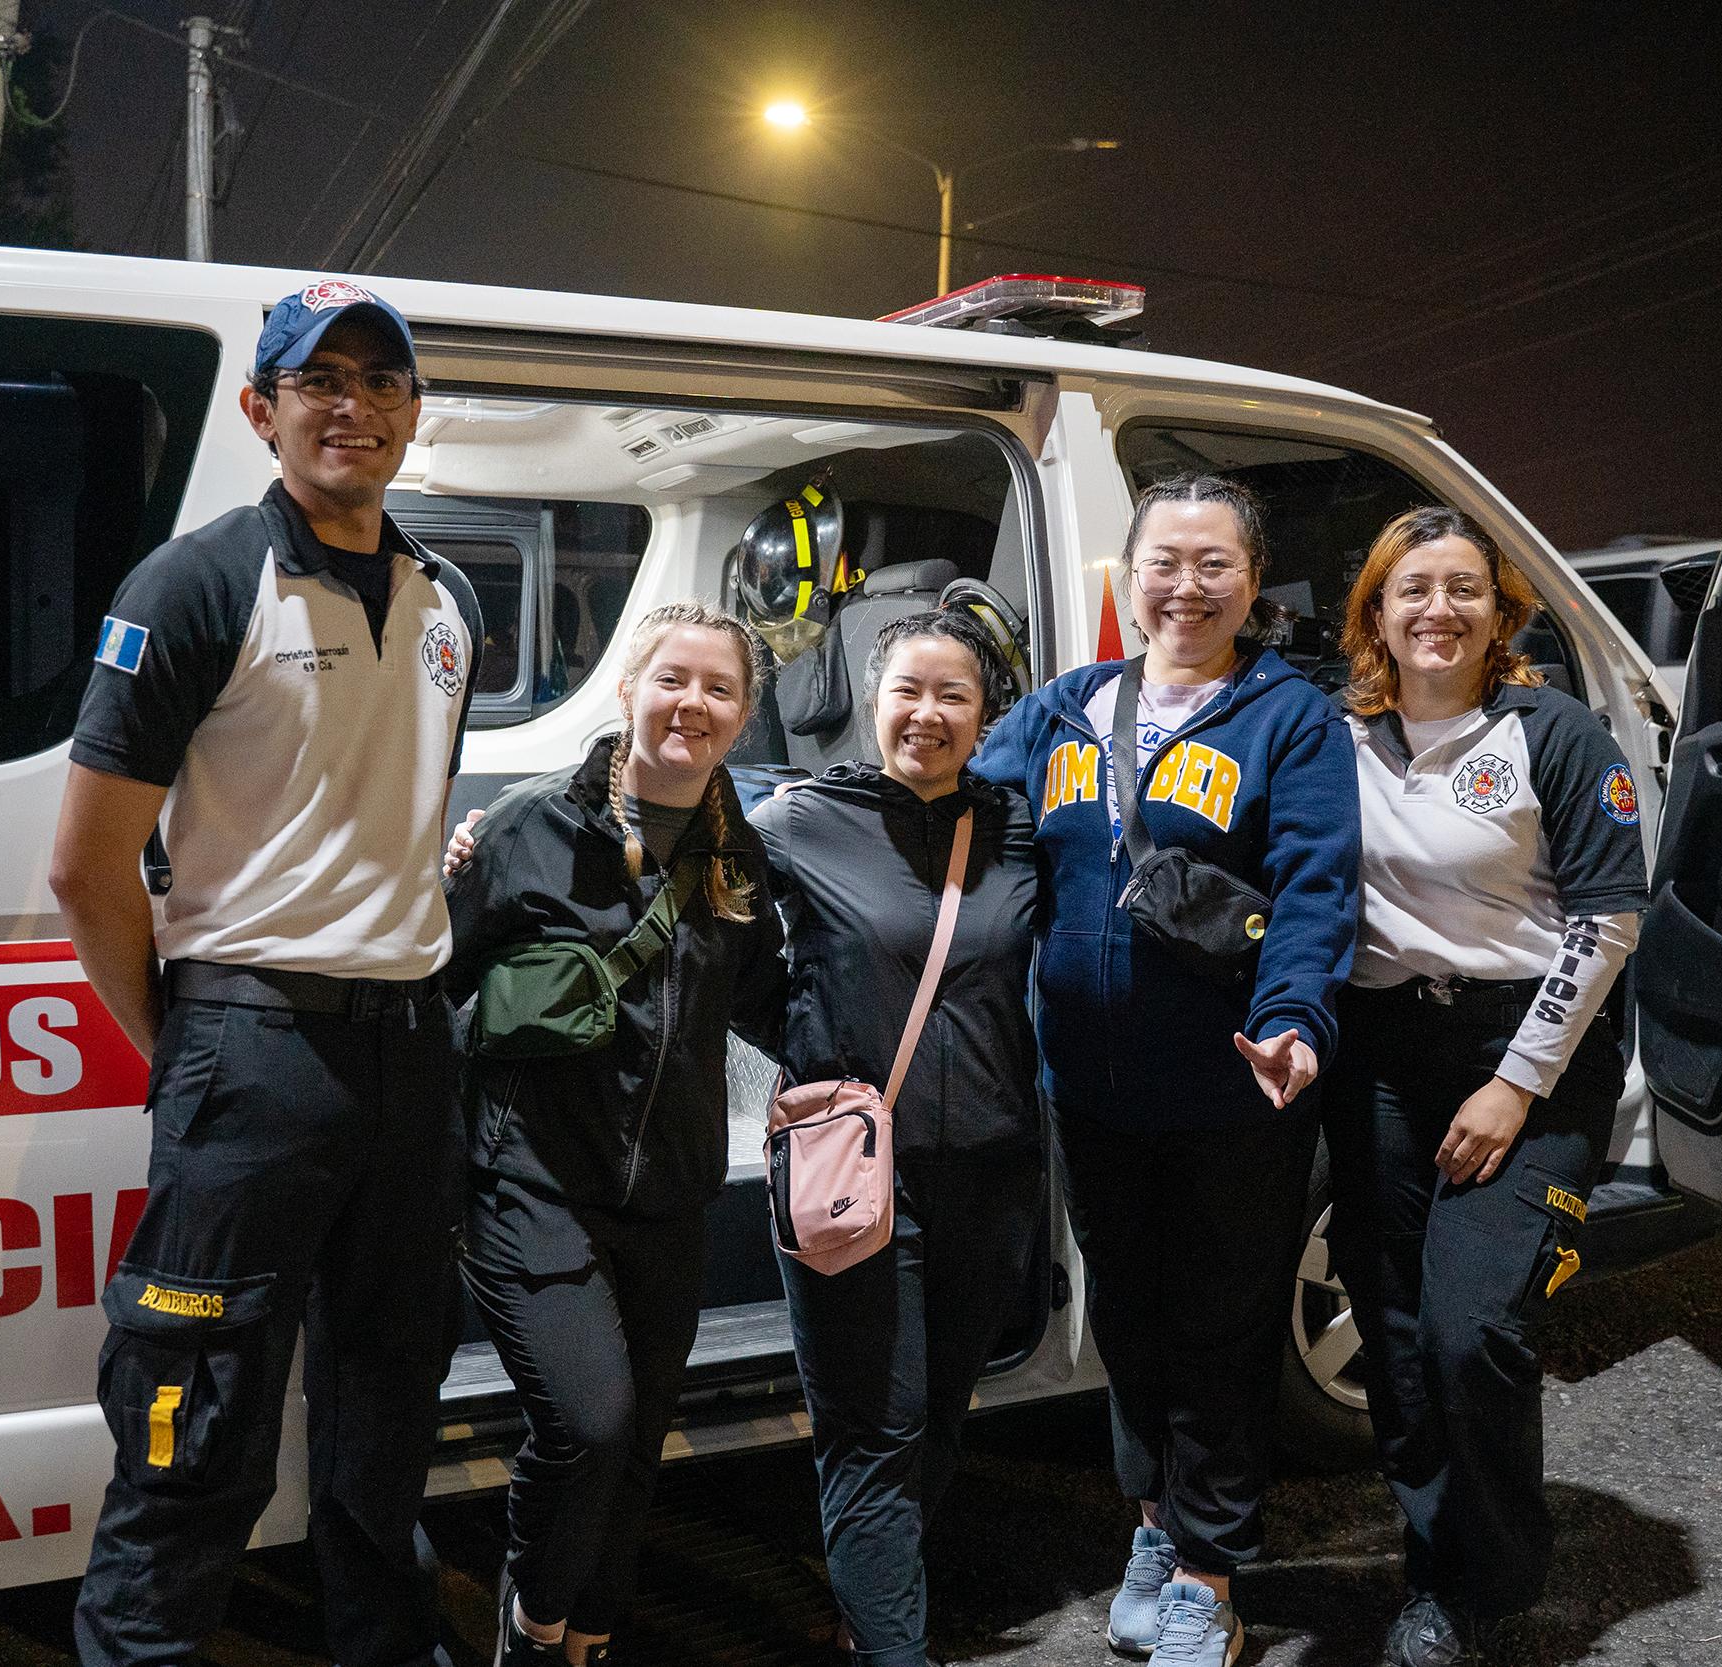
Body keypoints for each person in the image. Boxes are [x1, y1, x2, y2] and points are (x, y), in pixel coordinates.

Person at [53, 282, 480, 1667]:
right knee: (196, 1442)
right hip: (251, 1043)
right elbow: (86, 864)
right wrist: (188, 1041)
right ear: (263, 409)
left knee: (384, 1430)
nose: (351, 403)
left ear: (415, 411)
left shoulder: (447, 596)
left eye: (379, 379)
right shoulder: (194, 580)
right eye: (319, 380)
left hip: (412, 1056)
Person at [971, 475, 1361, 1667]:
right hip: (1089, 1090)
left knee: (1222, 1332)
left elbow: (1315, 885)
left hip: (1231, 1092)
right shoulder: (1064, 710)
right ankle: (1154, 1525)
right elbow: (943, 807)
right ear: (1124, 576)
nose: (1184, 586)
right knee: (1129, 1326)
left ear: (1253, 583)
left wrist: (1296, 1015)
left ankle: (1205, 1572)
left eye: (1213, 565)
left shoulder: (1285, 718)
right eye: (1162, 561)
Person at [1322, 507, 1647, 1667]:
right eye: (1412, 589)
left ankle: (1499, 1570)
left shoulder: (1550, 730)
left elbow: (1609, 915)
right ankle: (1434, 1577)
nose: (1437, 610)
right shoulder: (1337, 735)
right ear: (1376, 611)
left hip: (1526, 1056)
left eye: (1464, 588)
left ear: (1499, 609)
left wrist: (1514, 1083)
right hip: (1378, 1053)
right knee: (1397, 1332)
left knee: (1474, 1332)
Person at [443, 600, 788, 1667]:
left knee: (640, 1440)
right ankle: (533, 1624)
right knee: (586, 1424)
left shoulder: (741, 861)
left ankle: (592, 1632)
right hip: (531, 1181)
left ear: (742, 716)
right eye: (672, 677)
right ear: (631, 685)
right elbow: (431, 988)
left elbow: (776, 1004)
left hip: (669, 1193)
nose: (693, 702)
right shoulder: (522, 828)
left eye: (719, 688)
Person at [750, 608, 1043, 1667]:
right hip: (852, 1172)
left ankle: (875, 1603)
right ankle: (892, 1646)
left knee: (937, 1410)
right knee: (874, 1425)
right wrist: (814, 1044)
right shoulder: (794, 820)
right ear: (871, 704)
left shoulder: (1017, 828)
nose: (926, 713)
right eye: (907, 691)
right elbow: (684, 878)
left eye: (952, 695)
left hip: (993, 1168)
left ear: (984, 715)